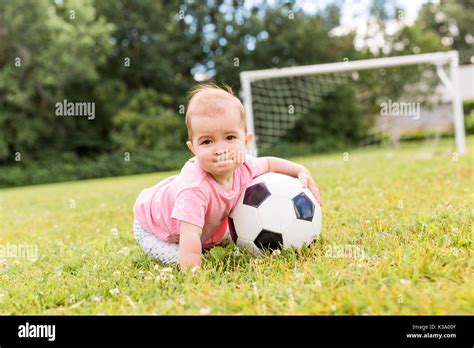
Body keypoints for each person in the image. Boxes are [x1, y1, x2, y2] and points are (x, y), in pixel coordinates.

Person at [133, 83, 323, 271]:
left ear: (246, 141)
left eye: (230, 137)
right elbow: (189, 234)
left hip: (197, 224)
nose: (221, 149)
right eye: (207, 141)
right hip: (153, 229)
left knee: (214, 241)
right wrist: (194, 275)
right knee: (184, 258)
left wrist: (299, 170)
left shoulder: (243, 165)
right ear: (193, 149)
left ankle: (208, 238)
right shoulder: (194, 188)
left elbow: (269, 164)